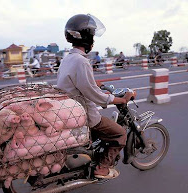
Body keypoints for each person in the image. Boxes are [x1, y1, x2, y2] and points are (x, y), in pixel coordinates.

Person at [57, 14, 135, 179]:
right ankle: (102, 167)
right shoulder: (81, 61)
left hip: (69, 108)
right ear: (86, 38)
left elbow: (79, 83)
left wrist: (95, 83)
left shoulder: (68, 59)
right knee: (120, 133)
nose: (93, 40)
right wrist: (120, 99)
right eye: (92, 36)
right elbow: (93, 95)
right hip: (84, 113)